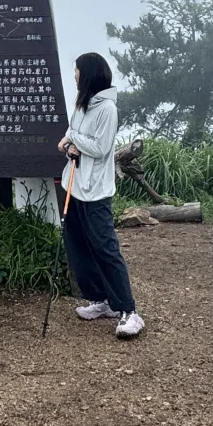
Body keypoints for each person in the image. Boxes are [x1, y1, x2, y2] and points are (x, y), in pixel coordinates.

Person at [57, 52, 144, 339]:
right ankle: (101, 300)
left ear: (89, 74)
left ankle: (129, 311)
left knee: (105, 248)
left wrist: (73, 140)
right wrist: (69, 146)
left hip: (95, 191)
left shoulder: (107, 108)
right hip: (73, 185)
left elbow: (101, 148)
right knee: (79, 247)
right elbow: (70, 137)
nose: (74, 75)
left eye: (77, 71)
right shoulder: (82, 104)